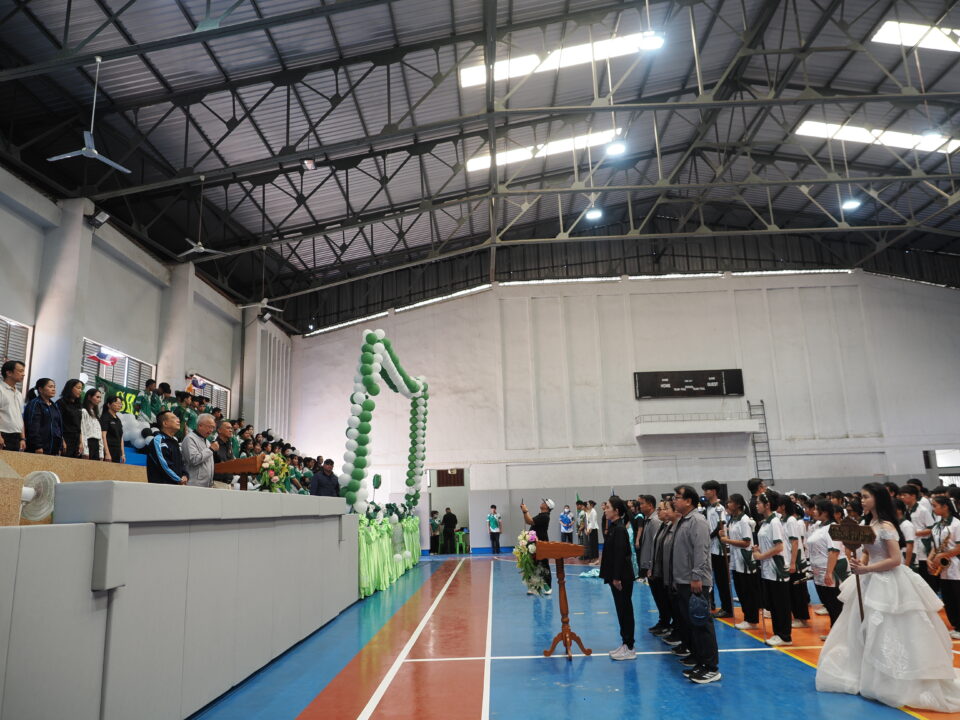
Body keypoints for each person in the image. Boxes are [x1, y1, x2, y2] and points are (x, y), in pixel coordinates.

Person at [817, 483, 960, 712]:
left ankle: (891, 679)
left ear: (878, 498)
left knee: (888, 629)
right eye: (862, 497)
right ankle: (868, 675)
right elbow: (867, 551)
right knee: (863, 629)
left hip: (888, 582)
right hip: (869, 580)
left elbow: (895, 559)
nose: (862, 500)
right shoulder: (869, 524)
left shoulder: (885, 526)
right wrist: (861, 562)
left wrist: (867, 568)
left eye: (866, 497)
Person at [667, 485, 720, 684]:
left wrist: (697, 576)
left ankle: (711, 667)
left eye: (677, 497)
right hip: (683, 581)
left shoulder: (697, 521)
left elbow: (701, 550)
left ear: (689, 501)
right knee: (692, 625)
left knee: (702, 624)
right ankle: (700, 661)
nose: (674, 500)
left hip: (695, 582)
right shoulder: (684, 520)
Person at [752, 491, 792, 646]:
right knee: (774, 604)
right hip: (767, 568)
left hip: (777, 568)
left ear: (767, 504)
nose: (756, 506)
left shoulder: (774, 522)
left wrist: (761, 556)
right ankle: (778, 633)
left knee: (780, 603)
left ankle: (785, 636)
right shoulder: (765, 523)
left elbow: (779, 547)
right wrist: (758, 550)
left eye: (759, 503)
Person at [600, 495, 636, 660]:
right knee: (621, 611)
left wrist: (616, 577)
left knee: (625, 610)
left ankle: (630, 647)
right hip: (616, 577)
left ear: (616, 511)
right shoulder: (614, 527)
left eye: (608, 507)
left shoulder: (620, 529)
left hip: (621, 578)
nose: (605, 510)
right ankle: (625, 643)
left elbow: (620, 555)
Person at [719, 493, 759, 630]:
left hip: (745, 560)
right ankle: (747, 617)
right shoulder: (733, 520)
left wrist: (727, 540)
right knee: (741, 591)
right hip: (736, 561)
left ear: (738, 504)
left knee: (748, 592)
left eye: (730, 502)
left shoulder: (744, 520)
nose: (728, 504)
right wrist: (724, 534)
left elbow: (746, 542)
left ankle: (752, 620)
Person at [806, 500, 845, 633]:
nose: (814, 511)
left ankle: (839, 634)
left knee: (834, 603)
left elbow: (834, 551)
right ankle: (834, 632)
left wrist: (829, 572)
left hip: (831, 570)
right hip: (819, 571)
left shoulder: (833, 527)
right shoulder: (819, 526)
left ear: (825, 512)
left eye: (817, 509)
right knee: (827, 602)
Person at [930, 495, 960, 640]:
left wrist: (942, 555)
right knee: (948, 598)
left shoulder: (956, 524)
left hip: (956, 566)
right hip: (943, 567)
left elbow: (959, 547)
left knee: (957, 596)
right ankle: (955, 625)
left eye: (935, 506)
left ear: (945, 506)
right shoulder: (937, 525)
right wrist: (930, 558)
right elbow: (935, 546)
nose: (933, 509)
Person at [701, 480, 732, 618]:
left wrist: (709, 536)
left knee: (722, 580)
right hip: (711, 548)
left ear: (713, 491)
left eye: (706, 490)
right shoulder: (708, 508)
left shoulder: (719, 508)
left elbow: (721, 524)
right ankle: (711, 603)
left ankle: (727, 608)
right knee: (710, 578)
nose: (704, 493)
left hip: (719, 549)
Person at [779, 495, 811, 629]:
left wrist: (793, 562)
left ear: (783, 506)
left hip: (796, 560)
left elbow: (795, 542)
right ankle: (796, 615)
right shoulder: (782, 520)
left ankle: (802, 618)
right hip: (787, 559)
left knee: (798, 591)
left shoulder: (791, 520)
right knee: (791, 590)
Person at [647, 498, 674, 637]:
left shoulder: (670, 527)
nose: (658, 511)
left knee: (666, 600)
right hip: (657, 569)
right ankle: (663, 621)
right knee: (660, 598)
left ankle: (669, 624)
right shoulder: (661, 526)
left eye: (661, 509)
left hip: (665, 571)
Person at [23, 378, 64, 455]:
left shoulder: (54, 406)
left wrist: (59, 446)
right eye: (50, 387)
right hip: (39, 448)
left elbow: (58, 427)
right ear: (40, 389)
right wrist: (37, 446)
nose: (53, 389)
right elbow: (33, 426)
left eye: (54, 387)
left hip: (53, 449)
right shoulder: (35, 403)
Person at [146, 410, 188, 485]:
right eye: (174, 418)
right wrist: (178, 479)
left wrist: (185, 475)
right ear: (165, 423)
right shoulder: (158, 440)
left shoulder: (174, 442)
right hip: (162, 487)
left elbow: (181, 463)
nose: (178, 420)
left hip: (176, 485)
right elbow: (164, 464)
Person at [521, 499, 554, 594]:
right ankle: (534, 586)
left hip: (541, 543)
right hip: (534, 543)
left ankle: (548, 587)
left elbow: (530, 521)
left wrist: (525, 511)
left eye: (544, 503)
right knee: (533, 564)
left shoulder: (545, 516)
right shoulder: (541, 515)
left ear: (547, 507)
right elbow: (528, 521)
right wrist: (524, 512)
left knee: (543, 564)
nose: (542, 503)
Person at [180, 413, 217, 487]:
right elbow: (193, 459)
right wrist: (211, 449)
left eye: (213, 427)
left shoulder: (207, 441)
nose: (211, 430)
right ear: (200, 426)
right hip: (194, 484)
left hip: (206, 485)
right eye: (209, 427)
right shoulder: (190, 438)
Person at [0, 360, 26, 452]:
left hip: (16, 437)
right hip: (3, 434)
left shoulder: (19, 393)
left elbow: (20, 416)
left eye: (24, 371)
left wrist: (22, 438)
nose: (23, 374)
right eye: (20, 371)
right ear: (9, 373)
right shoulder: (1, 389)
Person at [55, 379, 84, 458]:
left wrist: (81, 442)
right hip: (65, 438)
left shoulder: (79, 405)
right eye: (78, 388)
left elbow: (79, 425)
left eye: (81, 388)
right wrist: (62, 441)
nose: (80, 390)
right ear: (70, 388)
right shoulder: (61, 403)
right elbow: (57, 424)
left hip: (76, 440)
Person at [100, 394, 125, 463]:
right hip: (108, 450)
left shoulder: (118, 420)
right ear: (109, 405)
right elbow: (103, 436)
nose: (119, 405)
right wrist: (107, 453)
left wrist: (123, 454)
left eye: (120, 403)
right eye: (117, 403)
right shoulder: (105, 417)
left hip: (117, 452)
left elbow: (121, 437)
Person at [80, 388, 104, 460]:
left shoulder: (95, 414)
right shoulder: (84, 411)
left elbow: (99, 434)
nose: (99, 400)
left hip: (96, 445)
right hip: (88, 443)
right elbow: (83, 431)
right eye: (97, 397)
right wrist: (85, 451)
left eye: (100, 397)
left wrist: (101, 453)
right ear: (89, 397)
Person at [211, 420, 235, 487]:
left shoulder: (229, 444)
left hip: (229, 483)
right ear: (219, 430)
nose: (231, 430)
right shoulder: (214, 445)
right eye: (228, 428)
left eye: (231, 428)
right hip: (217, 483)